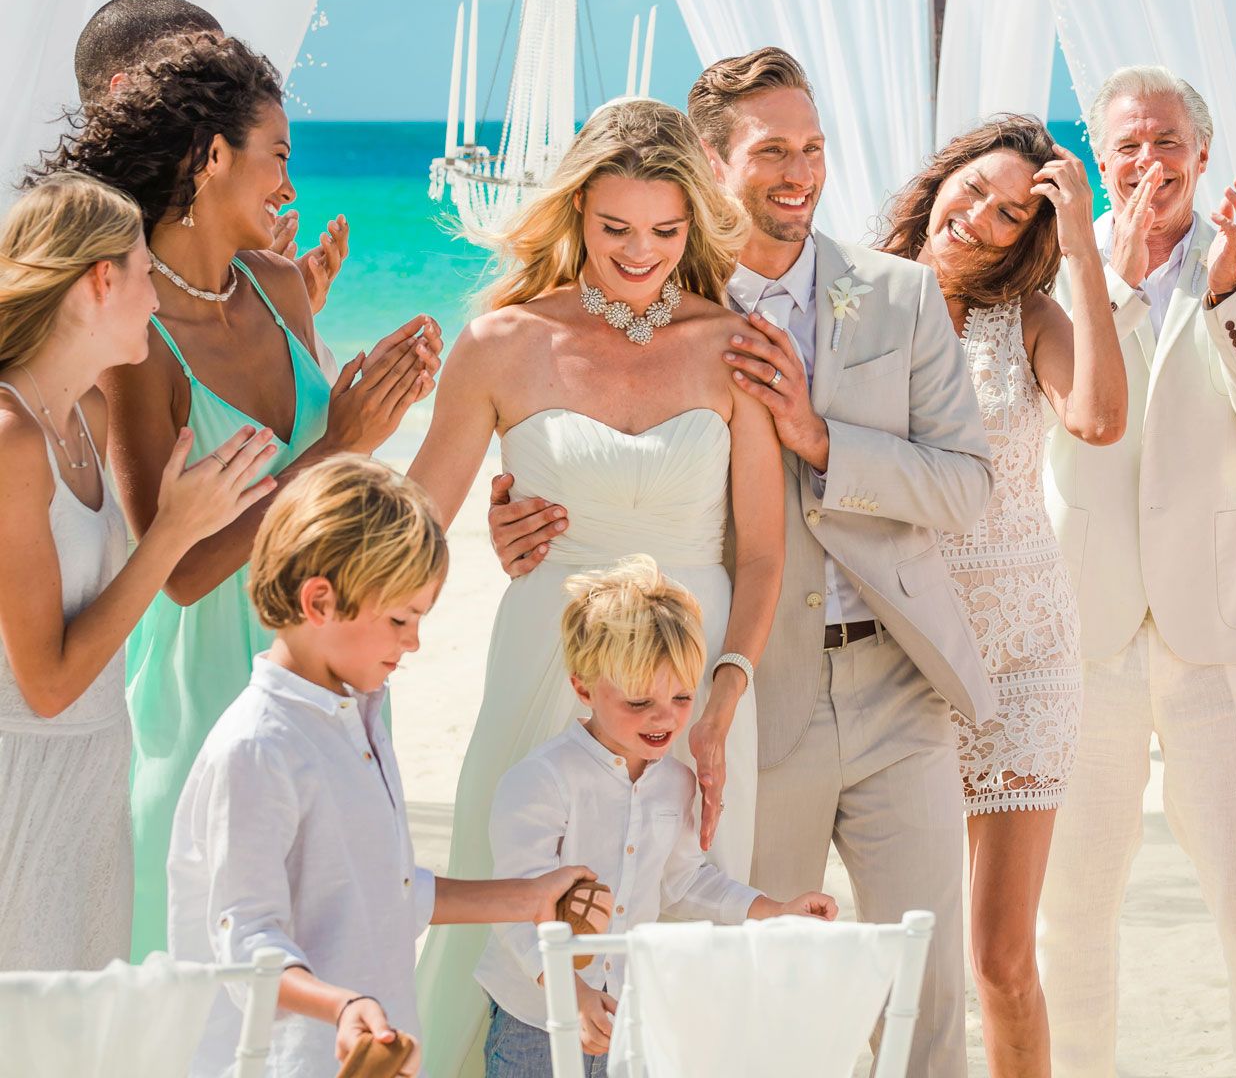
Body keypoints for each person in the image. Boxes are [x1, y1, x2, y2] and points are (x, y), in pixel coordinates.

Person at [487, 48, 993, 1078]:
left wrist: (820, 437)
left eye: (813, 148)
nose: (800, 173)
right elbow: (616, 461)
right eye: (771, 151)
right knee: (757, 1004)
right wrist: (521, 518)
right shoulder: (667, 299)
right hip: (755, 693)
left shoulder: (899, 296)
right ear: (709, 162)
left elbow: (968, 487)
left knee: (926, 991)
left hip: (901, 687)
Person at [27, 31, 442, 957]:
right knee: (213, 973)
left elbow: (325, 512)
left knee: (339, 946)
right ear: (213, 157)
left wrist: (376, 424)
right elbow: (174, 572)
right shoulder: (139, 340)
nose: (289, 184)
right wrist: (335, 441)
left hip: (329, 662)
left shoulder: (282, 286)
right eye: (279, 156)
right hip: (202, 686)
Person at [411, 98, 782, 1074]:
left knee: (678, 928)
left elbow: (767, 555)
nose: (640, 253)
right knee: (513, 910)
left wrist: (721, 702)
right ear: (575, 212)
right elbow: (413, 529)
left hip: (689, 684)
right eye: (615, 228)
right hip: (544, 660)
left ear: (694, 224)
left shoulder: (734, 345)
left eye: (665, 231)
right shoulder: (500, 342)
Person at [1037, 65, 1236, 1076]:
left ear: (1201, 156)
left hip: (1220, 636)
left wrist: (1232, 293)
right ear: (1098, 159)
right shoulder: (1054, 276)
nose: (1147, 160)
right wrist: (1102, 275)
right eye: (1126, 143)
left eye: (1167, 141)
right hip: (1085, 637)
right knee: (1071, 914)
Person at [167, 456, 593, 1078]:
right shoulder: (260, 747)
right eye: (399, 619)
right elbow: (243, 946)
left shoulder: (357, 717)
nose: (414, 641)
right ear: (320, 601)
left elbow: (384, 891)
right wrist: (341, 1007)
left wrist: (529, 899)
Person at [874, 114, 1125, 1075]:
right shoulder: (859, 298)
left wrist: (1086, 250)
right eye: (972, 190)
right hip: (894, 655)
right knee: (901, 947)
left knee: (1002, 959)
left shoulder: (1025, 322)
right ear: (939, 182)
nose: (979, 218)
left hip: (1022, 658)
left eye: (1014, 214)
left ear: (1035, 238)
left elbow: (1100, 418)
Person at [0, 174, 276, 972]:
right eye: (147, 274)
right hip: (22, 786)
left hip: (95, 778)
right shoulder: (12, 439)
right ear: (99, 280)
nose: (158, 300)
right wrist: (174, 533)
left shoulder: (87, 412)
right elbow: (47, 685)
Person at [475, 554, 837, 1076]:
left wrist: (775, 909)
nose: (664, 717)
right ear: (583, 687)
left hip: (626, 1012)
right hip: (535, 1017)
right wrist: (573, 994)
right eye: (640, 701)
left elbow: (686, 882)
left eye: (683, 697)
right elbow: (514, 908)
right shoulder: (541, 783)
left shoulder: (675, 783)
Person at [73, 0, 348, 317]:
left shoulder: (255, 277)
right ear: (122, 93)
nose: (222, 91)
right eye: (199, 72)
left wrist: (285, 318)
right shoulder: (85, 283)